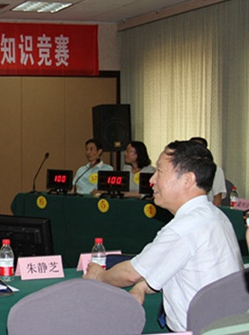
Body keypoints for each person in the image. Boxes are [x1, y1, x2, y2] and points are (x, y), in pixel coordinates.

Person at [84, 140, 243, 332]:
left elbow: (130, 274)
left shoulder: (183, 228)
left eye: (160, 171)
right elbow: (175, 267)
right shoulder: (216, 216)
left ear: (187, 180)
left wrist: (99, 276)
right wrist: (142, 287)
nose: (152, 180)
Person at [190, 137, 226, 206]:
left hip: (206, 208)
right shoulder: (183, 169)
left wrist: (213, 212)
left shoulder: (216, 170)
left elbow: (218, 197)